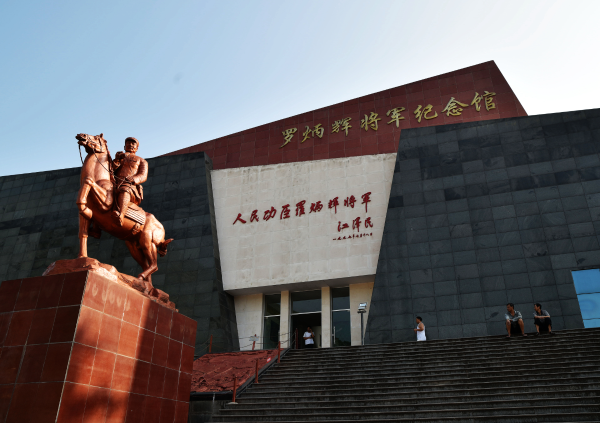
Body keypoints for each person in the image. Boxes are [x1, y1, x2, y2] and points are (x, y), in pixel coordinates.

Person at [112, 137, 148, 226]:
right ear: (124, 146)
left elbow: (143, 176)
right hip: (115, 183)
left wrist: (134, 179)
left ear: (137, 148)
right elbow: (110, 170)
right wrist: (116, 160)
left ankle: (121, 215)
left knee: (125, 190)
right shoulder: (119, 158)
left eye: (133, 144)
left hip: (130, 187)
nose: (131, 145)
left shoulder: (142, 161)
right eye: (128, 143)